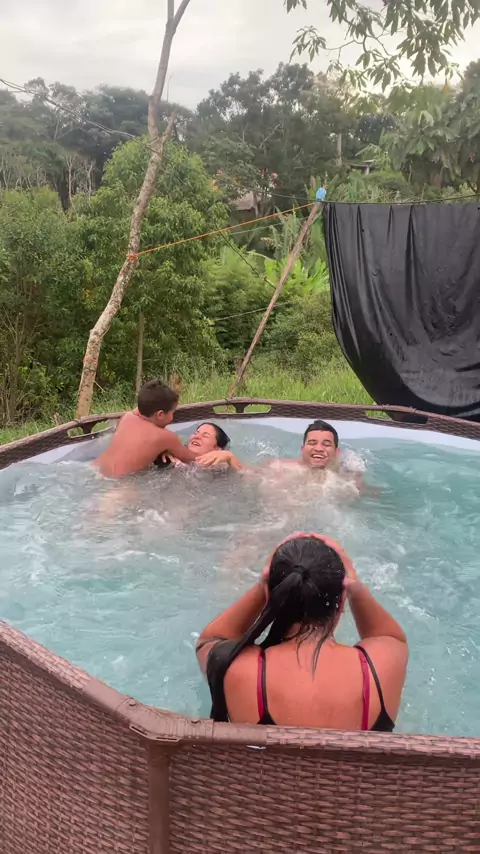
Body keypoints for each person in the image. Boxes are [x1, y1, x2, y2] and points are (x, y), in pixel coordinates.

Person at [197, 533, 408, 731]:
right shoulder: (378, 670)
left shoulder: (240, 669)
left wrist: (263, 588)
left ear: (272, 595)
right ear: (342, 599)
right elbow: (387, 636)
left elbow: (212, 639)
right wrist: (356, 589)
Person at [94, 380, 234, 478]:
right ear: (160, 414)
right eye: (172, 413)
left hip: (95, 469)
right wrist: (224, 454)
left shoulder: (127, 417)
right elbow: (194, 458)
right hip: (119, 485)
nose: (172, 417)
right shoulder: (164, 437)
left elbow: (142, 409)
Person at [155, 422, 242, 471]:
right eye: (196, 433)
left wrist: (230, 457)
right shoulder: (171, 458)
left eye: (205, 435)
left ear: (217, 449)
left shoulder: (221, 467)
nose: (196, 437)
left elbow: (248, 476)